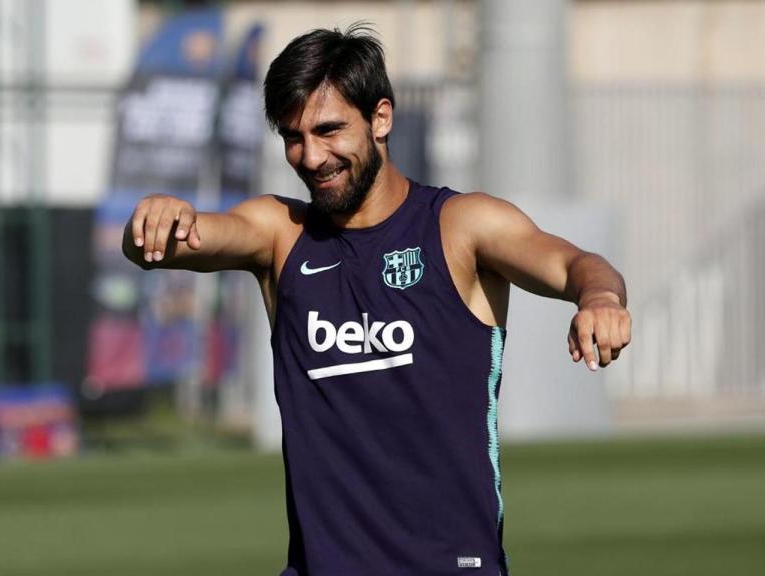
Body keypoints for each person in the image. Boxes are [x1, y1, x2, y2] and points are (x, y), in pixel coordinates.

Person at [123, 24, 630, 576]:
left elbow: (575, 264)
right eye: (294, 137)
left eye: (329, 130)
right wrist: (155, 219)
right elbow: (173, 242)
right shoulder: (280, 233)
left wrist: (600, 298)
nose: (312, 157)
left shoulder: (460, 226)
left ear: (381, 117)